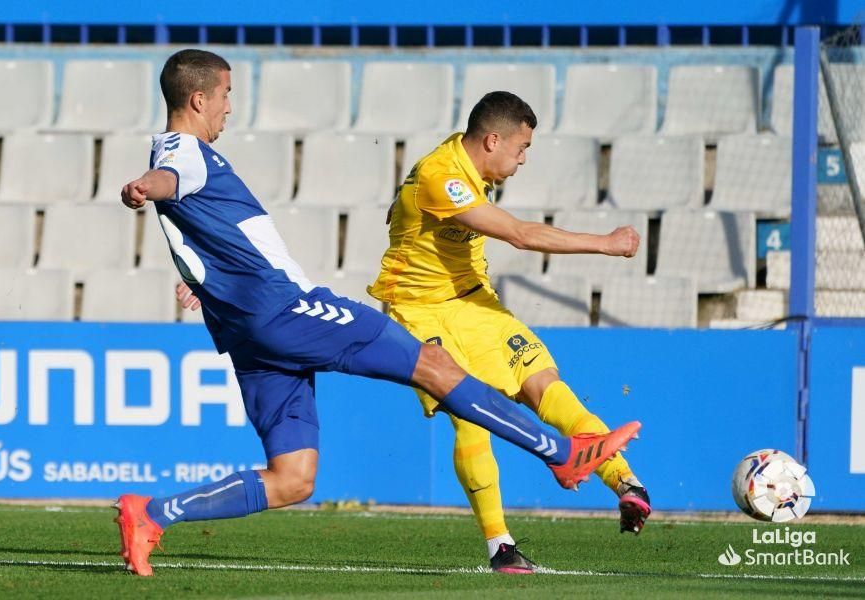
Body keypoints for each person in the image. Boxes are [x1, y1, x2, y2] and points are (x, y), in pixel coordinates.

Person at [114, 49, 641, 577]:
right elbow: (168, 179)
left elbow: (198, 228)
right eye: (226, 95)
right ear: (199, 97)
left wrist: (205, 284)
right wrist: (145, 186)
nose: (229, 107)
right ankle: (560, 453)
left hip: (246, 328)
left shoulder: (182, 154)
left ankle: (154, 513)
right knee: (437, 368)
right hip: (286, 309)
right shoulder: (183, 152)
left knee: (294, 478)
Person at [366, 91, 652, 574]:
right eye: (521, 149)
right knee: (470, 414)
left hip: (477, 303)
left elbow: (403, 213)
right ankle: (500, 545)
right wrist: (604, 244)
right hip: (421, 312)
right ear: (493, 139)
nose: (522, 161)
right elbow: (518, 234)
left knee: (545, 384)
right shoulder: (443, 175)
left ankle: (627, 484)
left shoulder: (471, 166)